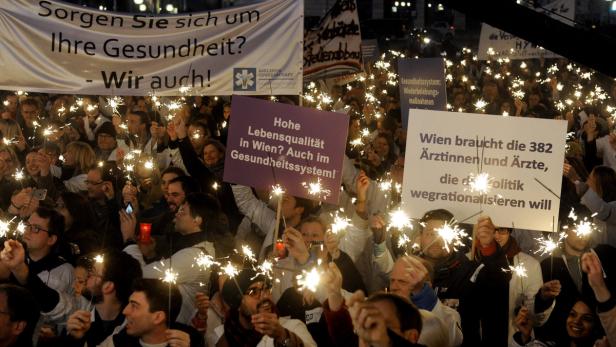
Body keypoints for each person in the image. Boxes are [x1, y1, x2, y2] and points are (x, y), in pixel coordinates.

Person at [122, 192, 225, 324]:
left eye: (182, 210)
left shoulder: (194, 257)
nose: (176, 214)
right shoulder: (190, 247)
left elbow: (139, 276)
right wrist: (151, 255)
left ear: (197, 220)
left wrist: (129, 240)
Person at [71, 279, 204, 347]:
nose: (125, 311)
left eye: (134, 306)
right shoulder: (118, 342)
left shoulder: (191, 342)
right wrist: (76, 338)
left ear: (158, 317)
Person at [214, 268, 316, 347]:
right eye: (253, 292)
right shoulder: (226, 337)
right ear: (238, 305)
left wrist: (282, 335)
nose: (265, 296)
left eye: (266, 289)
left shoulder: (293, 327)